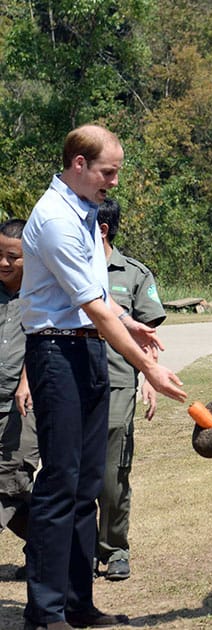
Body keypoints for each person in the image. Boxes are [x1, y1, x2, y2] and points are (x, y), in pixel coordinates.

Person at [20, 124, 186, 630]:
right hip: (57, 355)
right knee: (59, 483)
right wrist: (149, 367)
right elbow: (92, 306)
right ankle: (44, 613)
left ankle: (77, 605)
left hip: (88, 353)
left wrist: (132, 321)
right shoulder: (55, 219)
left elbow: (101, 295)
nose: (113, 181)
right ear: (79, 164)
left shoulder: (85, 214)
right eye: (107, 172)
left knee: (88, 483)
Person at [95, 199, 166, 582]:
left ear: (101, 229)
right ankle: (82, 548)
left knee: (111, 472)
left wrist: (150, 378)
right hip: (73, 381)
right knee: (73, 472)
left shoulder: (134, 274)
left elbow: (149, 334)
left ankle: (115, 548)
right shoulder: (69, 270)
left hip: (118, 383)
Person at [0, 219, 37, 574]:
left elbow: (43, 342)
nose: (4, 263)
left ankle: (59, 547)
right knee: (9, 484)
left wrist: (26, 381)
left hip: (24, 405)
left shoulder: (41, 293)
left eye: (13, 257)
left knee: (13, 477)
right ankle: (52, 546)